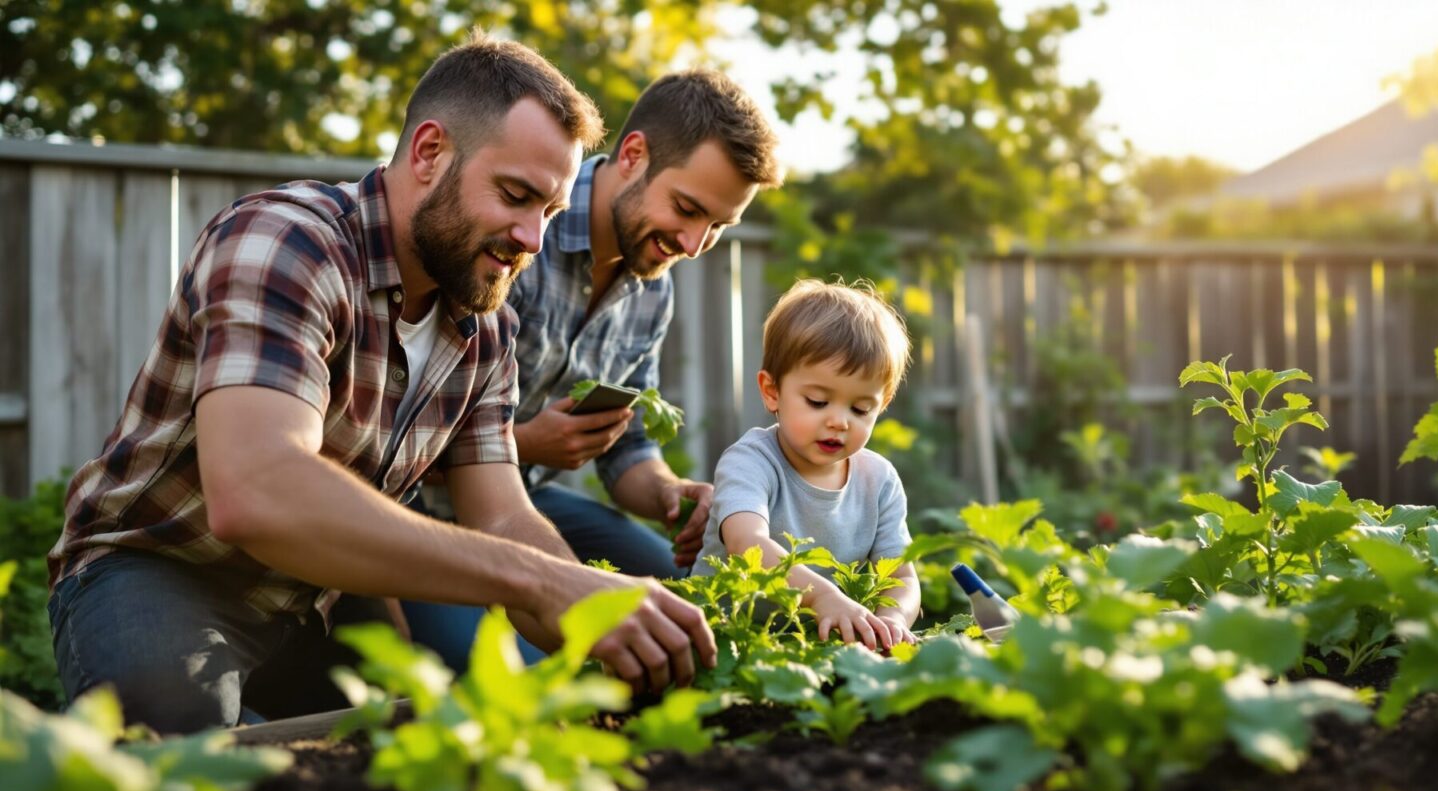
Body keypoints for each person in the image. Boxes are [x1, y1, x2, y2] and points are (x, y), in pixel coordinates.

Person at [44, 34, 715, 734]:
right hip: (163, 567)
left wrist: (598, 619)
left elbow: (505, 517)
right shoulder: (288, 242)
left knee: (433, 742)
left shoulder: (485, 329)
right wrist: (540, 581)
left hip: (319, 596)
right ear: (428, 153)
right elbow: (257, 492)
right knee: (180, 736)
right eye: (516, 196)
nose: (532, 239)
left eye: (549, 213)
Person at [402, 70, 781, 667]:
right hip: (419, 509)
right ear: (633, 155)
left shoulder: (651, 289)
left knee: (694, 614)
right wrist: (527, 444)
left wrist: (670, 496)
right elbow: (405, 432)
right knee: (529, 667)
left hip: (531, 504)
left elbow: (626, 448)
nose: (692, 242)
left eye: (717, 226)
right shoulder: (512, 237)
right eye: (686, 209)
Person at [691, 279, 921, 650]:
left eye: (861, 409)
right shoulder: (751, 461)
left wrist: (891, 620)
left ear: (883, 404)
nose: (839, 422)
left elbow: (901, 575)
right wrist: (823, 597)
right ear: (772, 391)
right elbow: (747, 543)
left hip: (811, 646)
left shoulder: (879, 481)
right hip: (726, 638)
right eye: (817, 401)